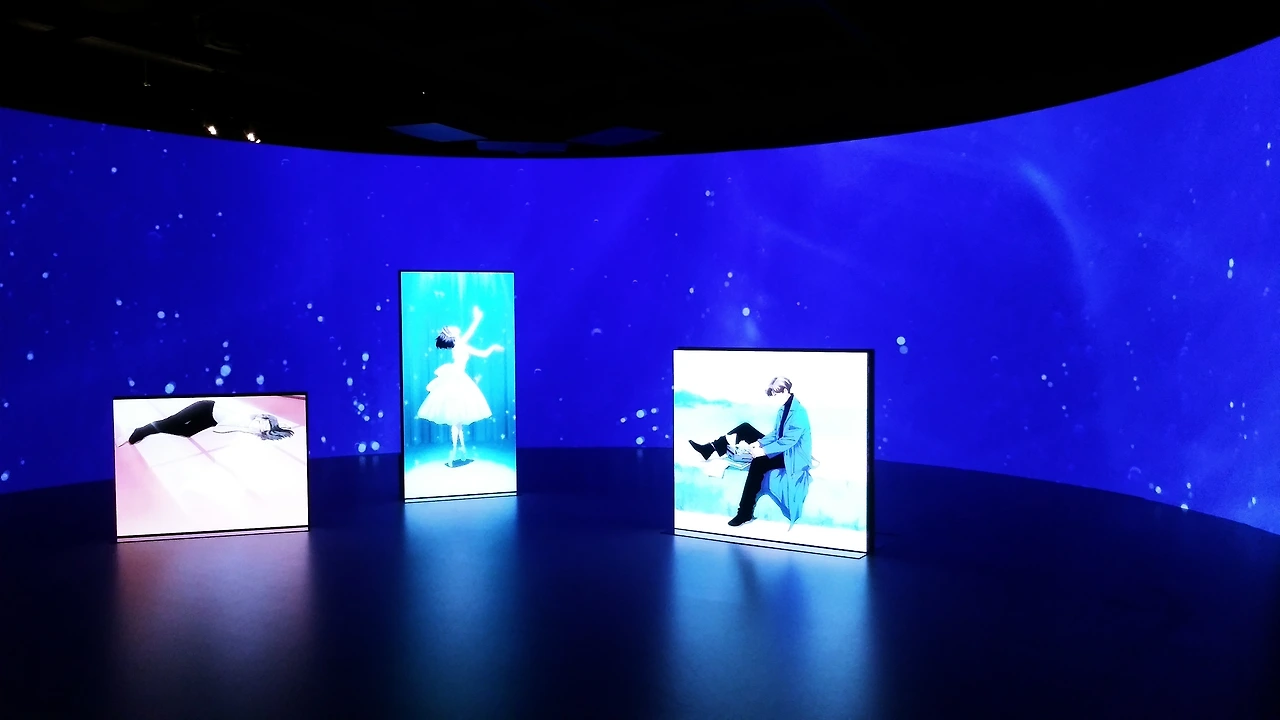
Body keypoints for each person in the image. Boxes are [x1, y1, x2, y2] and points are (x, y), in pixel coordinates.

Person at [688, 376, 812, 527]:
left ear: (785, 390)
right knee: (745, 428)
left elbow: (789, 441)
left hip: (792, 456)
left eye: (776, 394)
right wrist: (759, 443)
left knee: (758, 463)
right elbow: (776, 434)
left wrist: (763, 451)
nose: (774, 398)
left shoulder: (798, 413)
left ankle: (745, 513)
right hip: (782, 449)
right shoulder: (784, 408)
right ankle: (710, 448)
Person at [417, 305, 505, 466]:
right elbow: (471, 333)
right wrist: (477, 319)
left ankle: (462, 451)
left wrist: (492, 348)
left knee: (458, 422)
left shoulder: (462, 344)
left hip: (458, 378)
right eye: (451, 328)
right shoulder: (460, 343)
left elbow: (483, 353)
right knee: (456, 420)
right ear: (452, 334)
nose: (454, 327)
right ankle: (454, 452)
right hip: (456, 379)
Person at [123, 399, 295, 445]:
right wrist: (246, 429)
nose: (259, 428)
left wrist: (275, 428)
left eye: (263, 431)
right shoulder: (243, 419)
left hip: (211, 418)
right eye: (262, 424)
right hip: (205, 407)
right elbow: (219, 429)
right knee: (172, 421)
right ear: (260, 418)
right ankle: (141, 431)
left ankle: (153, 430)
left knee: (186, 432)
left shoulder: (249, 423)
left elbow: (217, 427)